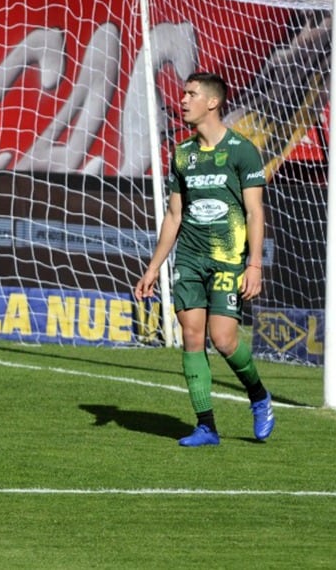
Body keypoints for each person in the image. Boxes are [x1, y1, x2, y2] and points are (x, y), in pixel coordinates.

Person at [134, 72, 275, 447]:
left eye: (191, 94)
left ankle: (259, 396)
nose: (182, 100)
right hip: (190, 259)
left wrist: (254, 264)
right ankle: (206, 426)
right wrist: (152, 268)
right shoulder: (182, 154)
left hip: (229, 259)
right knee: (192, 337)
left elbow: (255, 212)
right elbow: (174, 215)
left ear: (212, 102)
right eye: (183, 93)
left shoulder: (243, 151)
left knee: (224, 339)